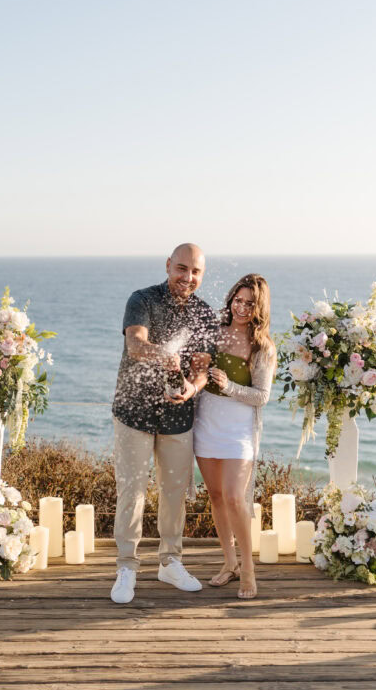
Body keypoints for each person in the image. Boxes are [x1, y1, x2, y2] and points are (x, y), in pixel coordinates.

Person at [110, 243, 218, 604]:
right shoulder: (141, 299)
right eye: (182, 268)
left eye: (196, 271)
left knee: (175, 495)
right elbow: (136, 346)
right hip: (134, 413)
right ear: (169, 265)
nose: (188, 277)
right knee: (132, 491)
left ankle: (170, 562)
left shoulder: (205, 313)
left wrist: (192, 387)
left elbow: (202, 368)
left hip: (178, 417)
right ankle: (127, 566)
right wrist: (168, 355)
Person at [193, 274, 276, 600]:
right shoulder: (214, 333)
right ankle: (229, 563)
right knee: (215, 496)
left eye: (249, 303)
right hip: (206, 422)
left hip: (239, 428)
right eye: (237, 300)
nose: (241, 308)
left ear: (260, 308)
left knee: (234, 497)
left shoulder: (263, 347)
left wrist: (228, 385)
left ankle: (249, 568)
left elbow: (262, 396)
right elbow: (196, 371)